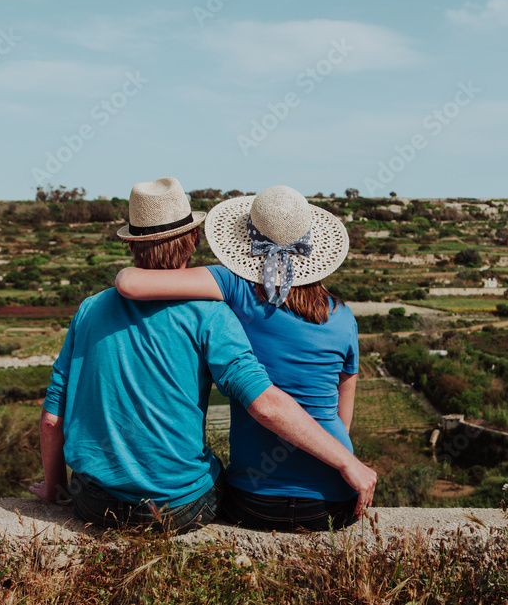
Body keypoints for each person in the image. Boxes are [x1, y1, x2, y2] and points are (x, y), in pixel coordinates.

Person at [30, 178, 375, 534]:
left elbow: (52, 420)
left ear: (131, 243)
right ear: (194, 238)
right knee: (211, 474)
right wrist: (346, 461)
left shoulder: (90, 309)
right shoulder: (214, 315)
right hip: (184, 508)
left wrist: (55, 488)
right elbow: (278, 406)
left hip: (94, 502)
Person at [115, 185, 362, 531]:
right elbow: (343, 420)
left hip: (255, 501)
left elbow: (129, 283)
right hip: (335, 500)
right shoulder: (344, 318)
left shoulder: (234, 286)